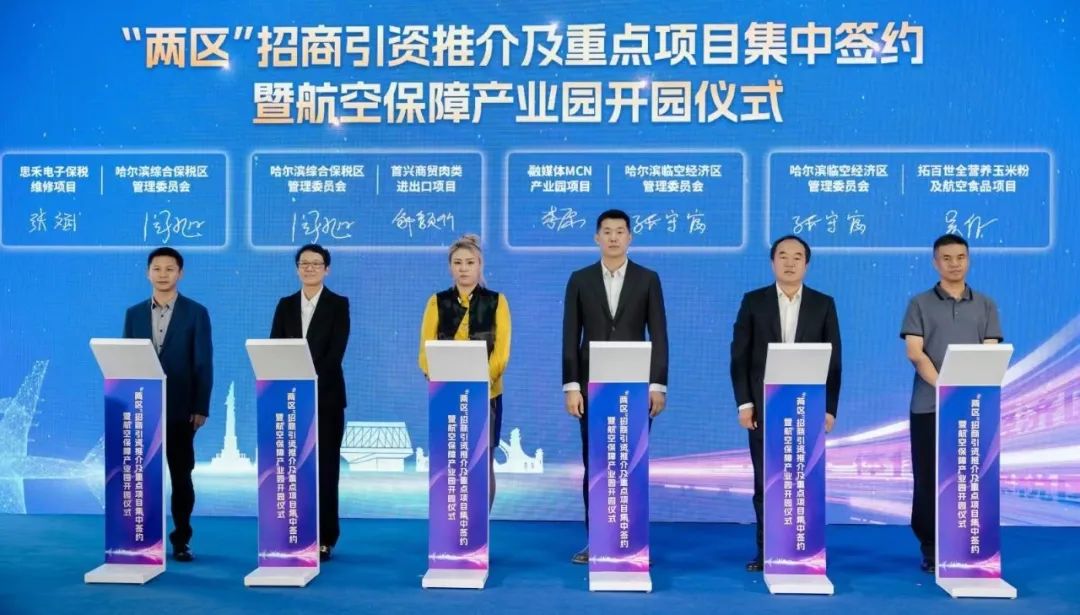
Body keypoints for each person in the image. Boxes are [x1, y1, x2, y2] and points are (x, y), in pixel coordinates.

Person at [562, 209, 669, 564]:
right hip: (591, 388)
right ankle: (596, 540)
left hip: (634, 389)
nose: (613, 237)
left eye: (619, 231)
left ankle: (632, 541)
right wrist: (571, 386)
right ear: (596, 238)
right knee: (596, 464)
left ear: (630, 237)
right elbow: (570, 337)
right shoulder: (580, 279)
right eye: (606, 231)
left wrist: (658, 385)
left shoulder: (647, 279)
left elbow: (659, 335)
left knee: (631, 465)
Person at [729, 235, 842, 572]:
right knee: (767, 482)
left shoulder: (823, 304)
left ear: (806, 264)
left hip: (808, 408)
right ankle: (767, 550)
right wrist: (744, 403)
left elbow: (834, 361)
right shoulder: (754, 301)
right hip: (764, 408)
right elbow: (740, 357)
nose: (789, 262)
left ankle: (803, 547)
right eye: (783, 256)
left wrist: (829, 408)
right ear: (772, 262)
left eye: (797, 257)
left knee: (804, 481)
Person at [900, 233, 1002, 573]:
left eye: (960, 257)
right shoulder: (919, 303)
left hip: (973, 408)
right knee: (929, 479)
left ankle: (969, 543)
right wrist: (945, 387)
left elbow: (990, 350)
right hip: (929, 406)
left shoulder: (986, 304)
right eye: (946, 258)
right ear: (935, 262)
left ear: (968, 260)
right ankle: (931, 547)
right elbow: (915, 353)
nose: (954, 264)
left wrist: (964, 391)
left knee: (972, 478)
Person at [123, 247, 213, 562]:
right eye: (157, 268)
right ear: (148, 273)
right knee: (142, 478)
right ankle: (142, 537)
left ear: (180, 273)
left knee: (181, 476)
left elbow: (203, 363)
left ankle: (181, 539)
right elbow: (126, 362)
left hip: (181, 410)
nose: (163, 274)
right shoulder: (133, 314)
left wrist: (200, 406)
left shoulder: (196, 312)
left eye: (169, 269)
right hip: (142, 409)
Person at [270, 243, 351, 562]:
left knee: (326, 468)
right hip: (290, 400)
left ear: (327, 269)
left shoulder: (338, 304)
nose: (310, 268)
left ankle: (326, 537)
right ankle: (294, 531)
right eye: (304, 263)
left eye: (316, 264)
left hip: (326, 397)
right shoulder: (285, 305)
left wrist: (306, 377)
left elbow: (335, 353)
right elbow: (275, 347)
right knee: (293, 468)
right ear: (297, 269)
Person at [418, 234, 511, 510]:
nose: (463, 268)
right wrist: (440, 379)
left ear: (480, 265)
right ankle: (450, 523)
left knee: (483, 461)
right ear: (450, 267)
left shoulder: (497, 301)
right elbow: (425, 351)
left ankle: (480, 526)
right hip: (446, 394)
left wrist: (481, 381)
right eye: (457, 263)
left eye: (470, 262)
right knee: (448, 460)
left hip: (487, 394)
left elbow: (501, 352)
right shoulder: (436, 302)